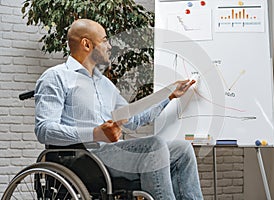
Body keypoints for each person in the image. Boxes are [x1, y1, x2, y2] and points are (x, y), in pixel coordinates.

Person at [34, 19, 203, 199]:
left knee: (183, 149)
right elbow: (44, 130)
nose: (110, 46)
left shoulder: (105, 84)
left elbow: (134, 119)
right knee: (154, 145)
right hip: (81, 158)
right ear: (86, 44)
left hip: (110, 154)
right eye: (105, 40)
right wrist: (94, 133)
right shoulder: (56, 77)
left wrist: (168, 95)